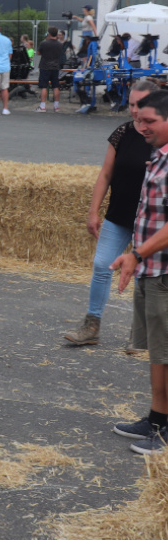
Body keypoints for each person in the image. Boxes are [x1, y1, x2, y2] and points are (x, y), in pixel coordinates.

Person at [67, 80, 158, 347]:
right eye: (131, 104)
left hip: (151, 220)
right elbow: (106, 174)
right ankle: (91, 325)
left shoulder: (162, 136)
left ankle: (140, 335)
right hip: (118, 215)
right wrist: (93, 211)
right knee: (101, 265)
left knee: (147, 275)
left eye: (140, 104)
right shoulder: (122, 133)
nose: (134, 110)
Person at [112, 89, 168, 454]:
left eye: (150, 121)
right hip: (152, 269)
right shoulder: (156, 157)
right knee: (158, 352)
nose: (141, 127)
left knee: (167, 352)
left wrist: (136, 253)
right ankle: (157, 419)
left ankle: (163, 432)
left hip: (161, 270)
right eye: (138, 120)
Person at [37, 26, 65, 113]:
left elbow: (38, 53)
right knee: (56, 86)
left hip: (45, 66)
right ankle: (56, 106)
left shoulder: (44, 43)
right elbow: (60, 53)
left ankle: (42, 106)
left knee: (44, 86)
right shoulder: (60, 44)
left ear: (49, 33)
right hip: (55, 66)